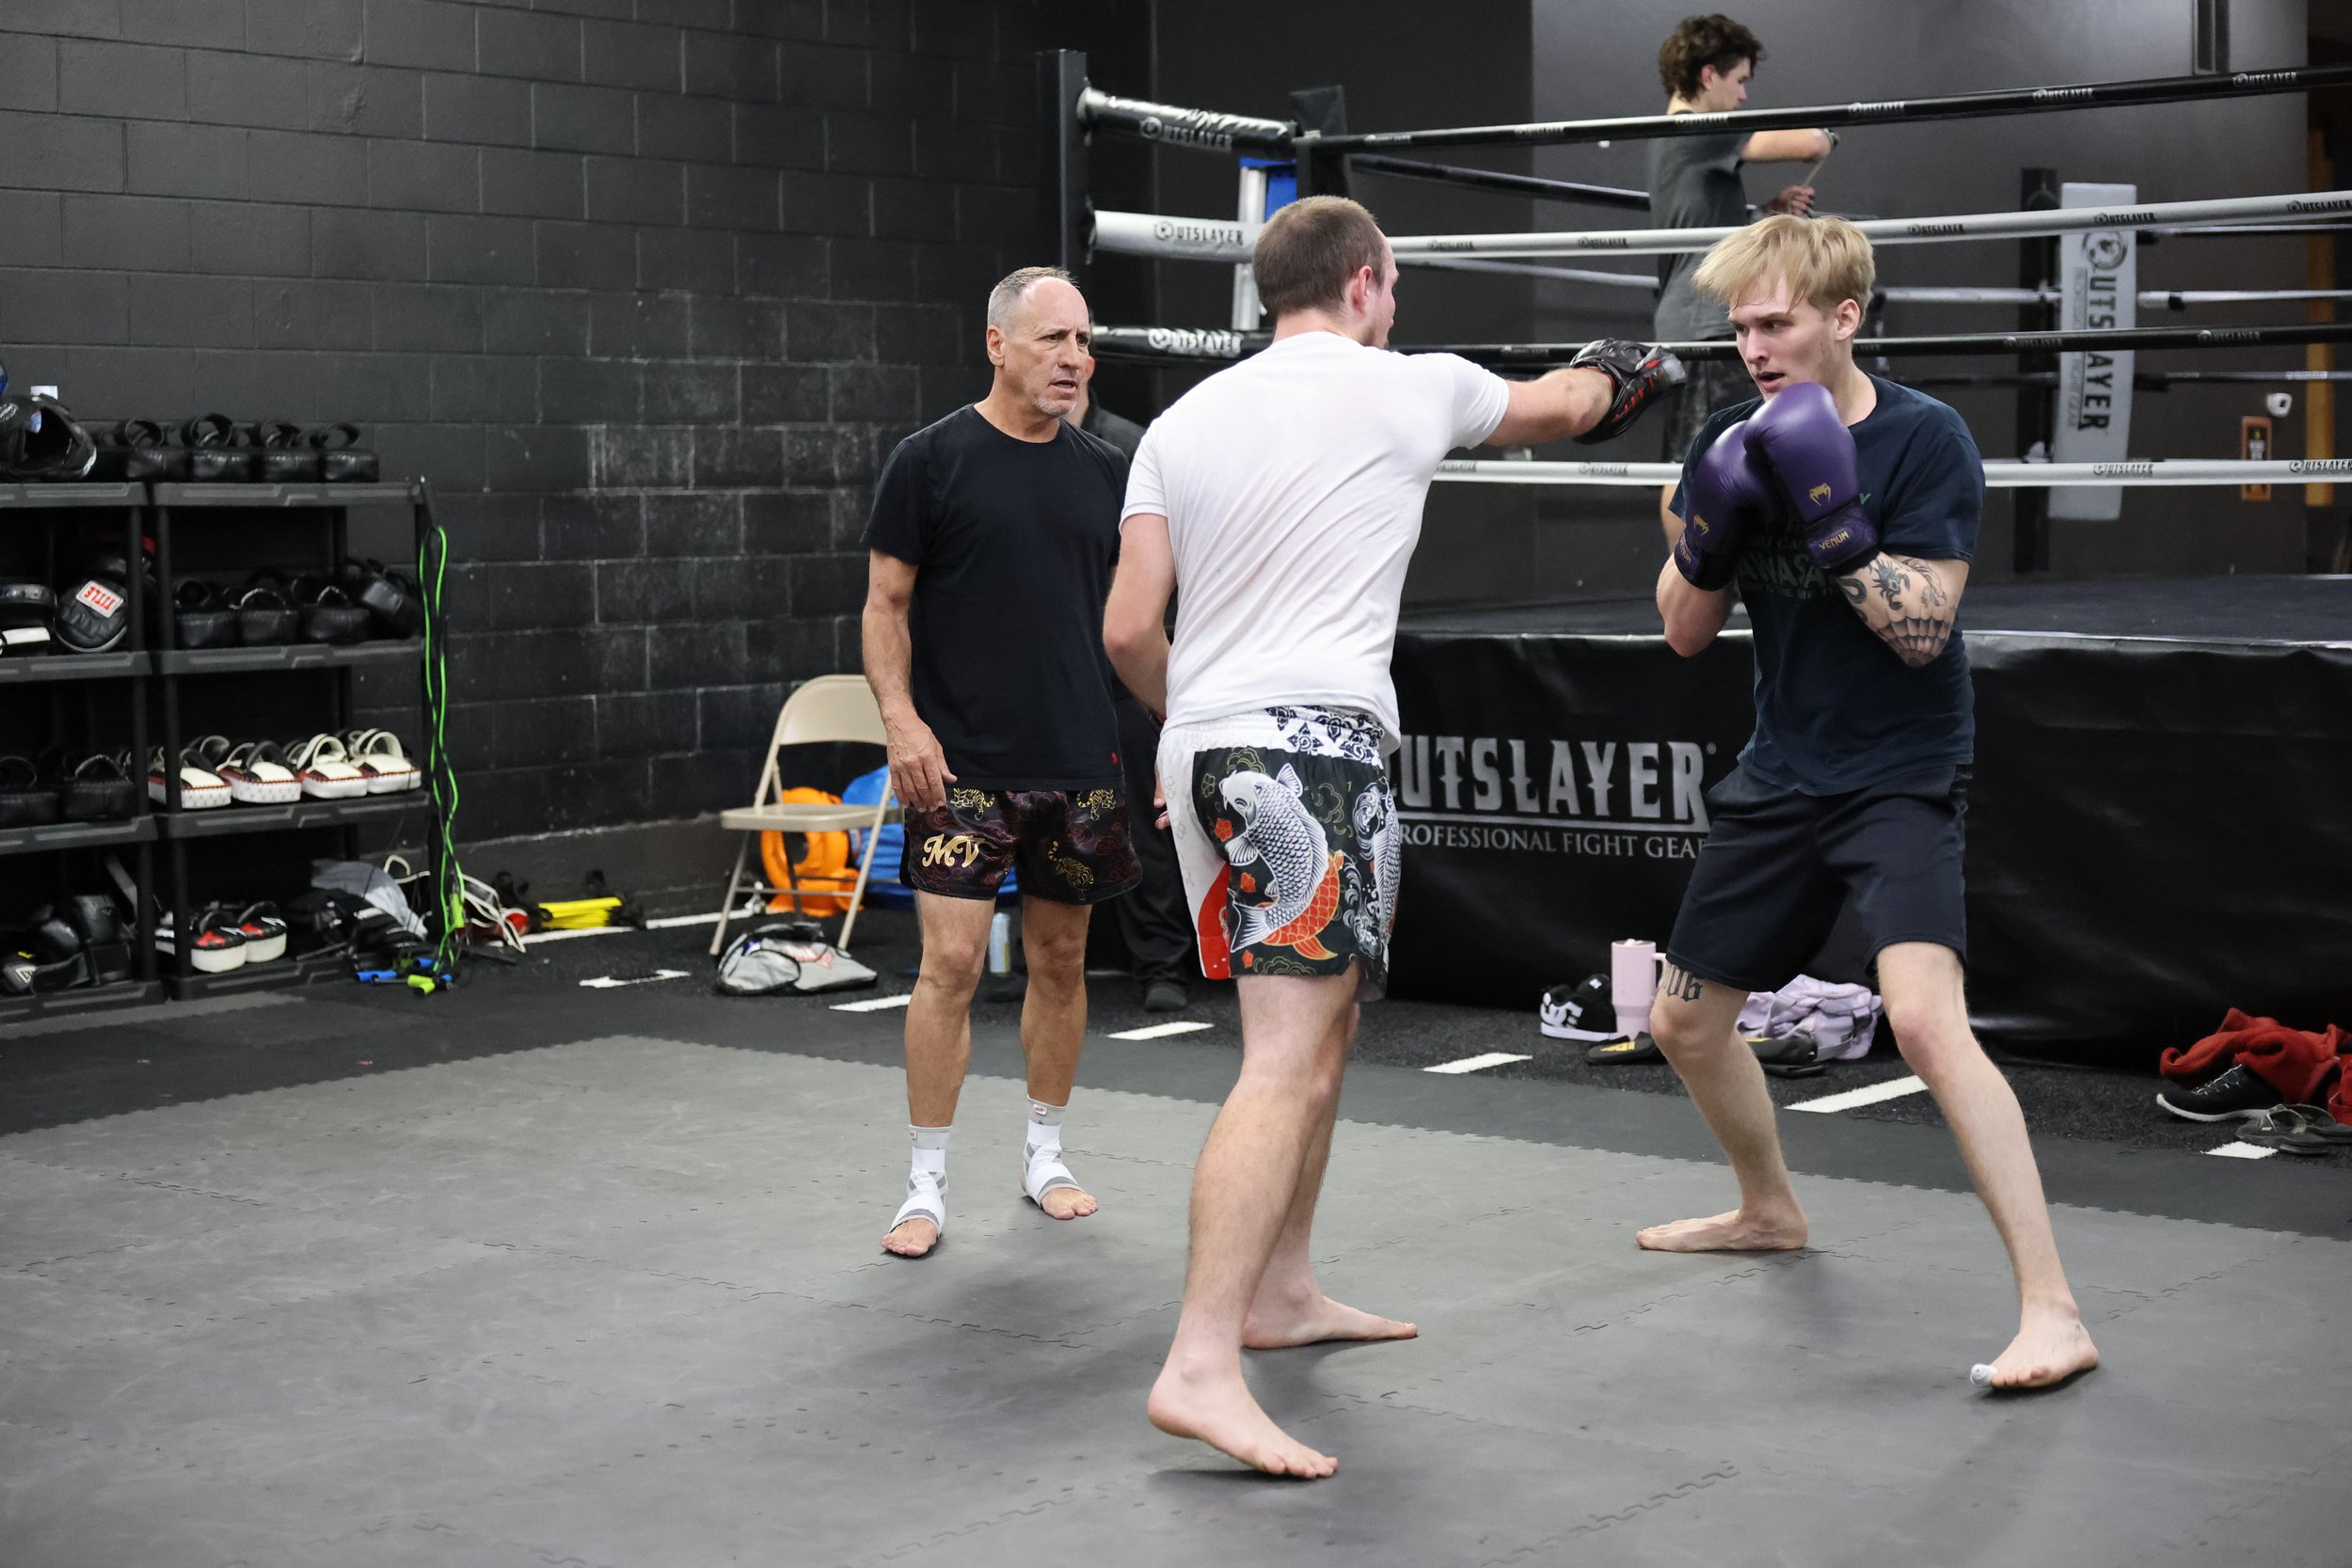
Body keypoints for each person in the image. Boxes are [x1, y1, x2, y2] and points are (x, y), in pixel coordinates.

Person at [1104, 195, 1678, 1476]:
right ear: (1363, 282)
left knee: (1323, 1033)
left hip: (1206, 741)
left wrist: (1194, 722)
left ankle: (1280, 1289)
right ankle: (1199, 1358)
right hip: (1311, 745)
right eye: (1394, 286)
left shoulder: (1179, 423)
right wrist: (1643, 359)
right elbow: (1566, 408)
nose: (1396, 305)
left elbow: (1130, 628)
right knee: (1284, 1054)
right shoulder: (1410, 384)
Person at [1649, 214, 2100, 1391]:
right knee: (1683, 1022)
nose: (1753, 346)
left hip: (1898, 767)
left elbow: (1923, 630)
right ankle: (1767, 1208)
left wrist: (1833, 523)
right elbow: (1683, 631)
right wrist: (1707, 531)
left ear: (1843, 317)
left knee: (1925, 1020)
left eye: (1776, 322)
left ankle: (2053, 1307)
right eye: (1739, 327)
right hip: (1780, 767)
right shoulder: (1723, 441)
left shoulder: (1924, 439)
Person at [861, 266, 1141, 1259]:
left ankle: (1045, 1154)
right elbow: (885, 605)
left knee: (1061, 961)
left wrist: (1170, 729)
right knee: (950, 965)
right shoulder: (928, 460)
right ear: (997, 344)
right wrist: (901, 721)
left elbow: (1135, 622)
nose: (1074, 358)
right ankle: (924, 1182)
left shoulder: (1107, 471)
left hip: (1078, 757)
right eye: (1053, 339)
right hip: (961, 764)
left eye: (1084, 341)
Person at [1649, 13, 1834, 536]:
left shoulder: (1675, 138)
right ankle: (1687, 574)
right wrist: (1827, 135)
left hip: (1695, 318)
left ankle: (1698, 573)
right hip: (1704, 321)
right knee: (1695, 461)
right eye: (1739, 80)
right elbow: (1810, 144)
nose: (1743, 95)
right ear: (1709, 75)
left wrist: (1766, 211)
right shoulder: (1696, 128)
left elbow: (1702, 224)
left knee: (1704, 455)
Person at [1065, 349, 1197, 1012]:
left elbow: (1156, 569)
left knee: (1144, 819)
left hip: (1125, 664)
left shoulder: (1129, 449)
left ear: (1089, 365)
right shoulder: (1017, 451)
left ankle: (1162, 964)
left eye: (1073, 345)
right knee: (1051, 816)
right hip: (1056, 667)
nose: (1061, 362)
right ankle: (1049, 957)